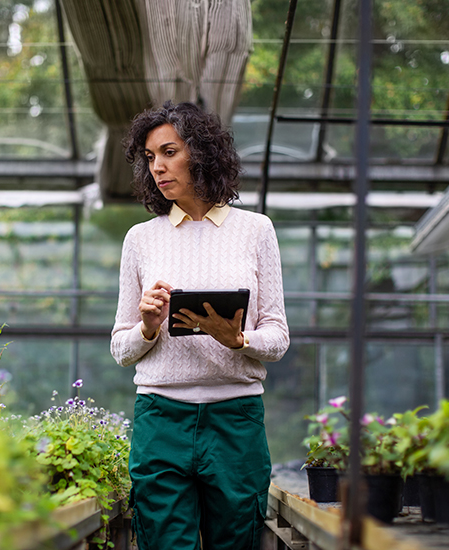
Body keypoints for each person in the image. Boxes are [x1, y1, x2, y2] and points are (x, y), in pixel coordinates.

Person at [110, 100, 290, 550]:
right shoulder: (141, 239)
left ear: (202, 152)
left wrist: (240, 339)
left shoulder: (256, 231)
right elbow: (120, 347)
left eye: (169, 152)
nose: (158, 167)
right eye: (150, 158)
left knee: (237, 540)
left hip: (236, 420)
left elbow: (278, 336)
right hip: (160, 419)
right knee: (165, 541)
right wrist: (148, 327)